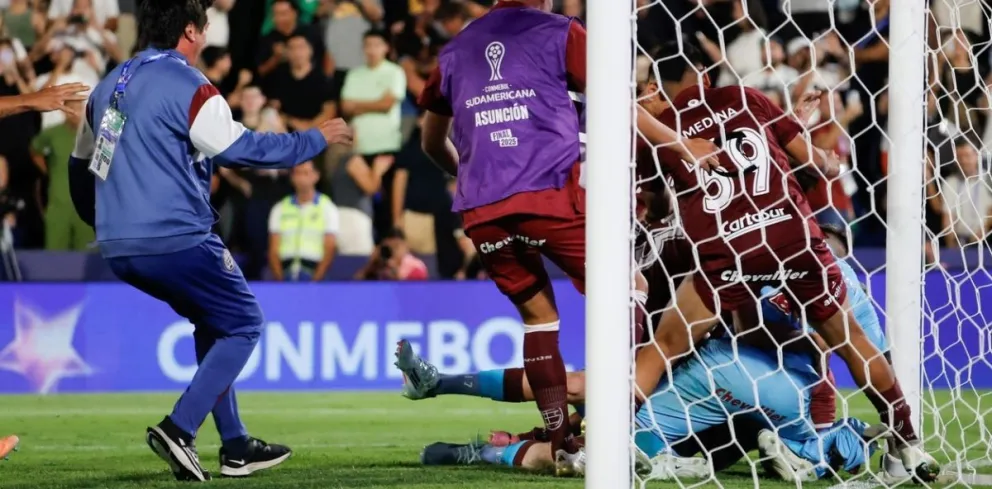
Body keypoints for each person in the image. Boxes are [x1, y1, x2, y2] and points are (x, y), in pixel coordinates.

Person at [416, 1, 722, 473]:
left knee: (539, 320)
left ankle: (562, 443)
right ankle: (607, 423)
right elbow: (617, 104)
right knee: (631, 288)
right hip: (547, 195)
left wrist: (473, 180)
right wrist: (682, 144)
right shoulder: (561, 31)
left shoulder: (455, 49)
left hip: (482, 210)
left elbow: (431, 142)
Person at [66, 0, 352, 482]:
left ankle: (236, 445)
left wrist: (105, 224)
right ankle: (179, 429)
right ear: (191, 32)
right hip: (176, 236)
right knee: (244, 322)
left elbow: (84, 166)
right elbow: (243, 149)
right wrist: (313, 139)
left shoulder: (111, 85)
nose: (204, 36)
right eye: (204, 28)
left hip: (119, 244)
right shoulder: (190, 85)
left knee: (213, 321)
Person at [632, 41, 939, 481]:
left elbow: (659, 207)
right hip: (791, 236)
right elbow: (814, 163)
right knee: (852, 340)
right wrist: (827, 159)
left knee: (664, 346)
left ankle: (612, 437)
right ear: (704, 73)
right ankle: (908, 444)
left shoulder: (659, 131)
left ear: (656, 86)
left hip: (729, 248)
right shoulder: (745, 97)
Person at [267, 160, 340, 281]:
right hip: (286, 271)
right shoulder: (280, 208)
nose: (301, 178)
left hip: (313, 271)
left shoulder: (327, 207)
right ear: (292, 177)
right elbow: (273, 249)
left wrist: (315, 281)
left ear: (316, 176)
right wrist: (280, 283)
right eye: (298, 173)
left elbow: (330, 248)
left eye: (306, 173)